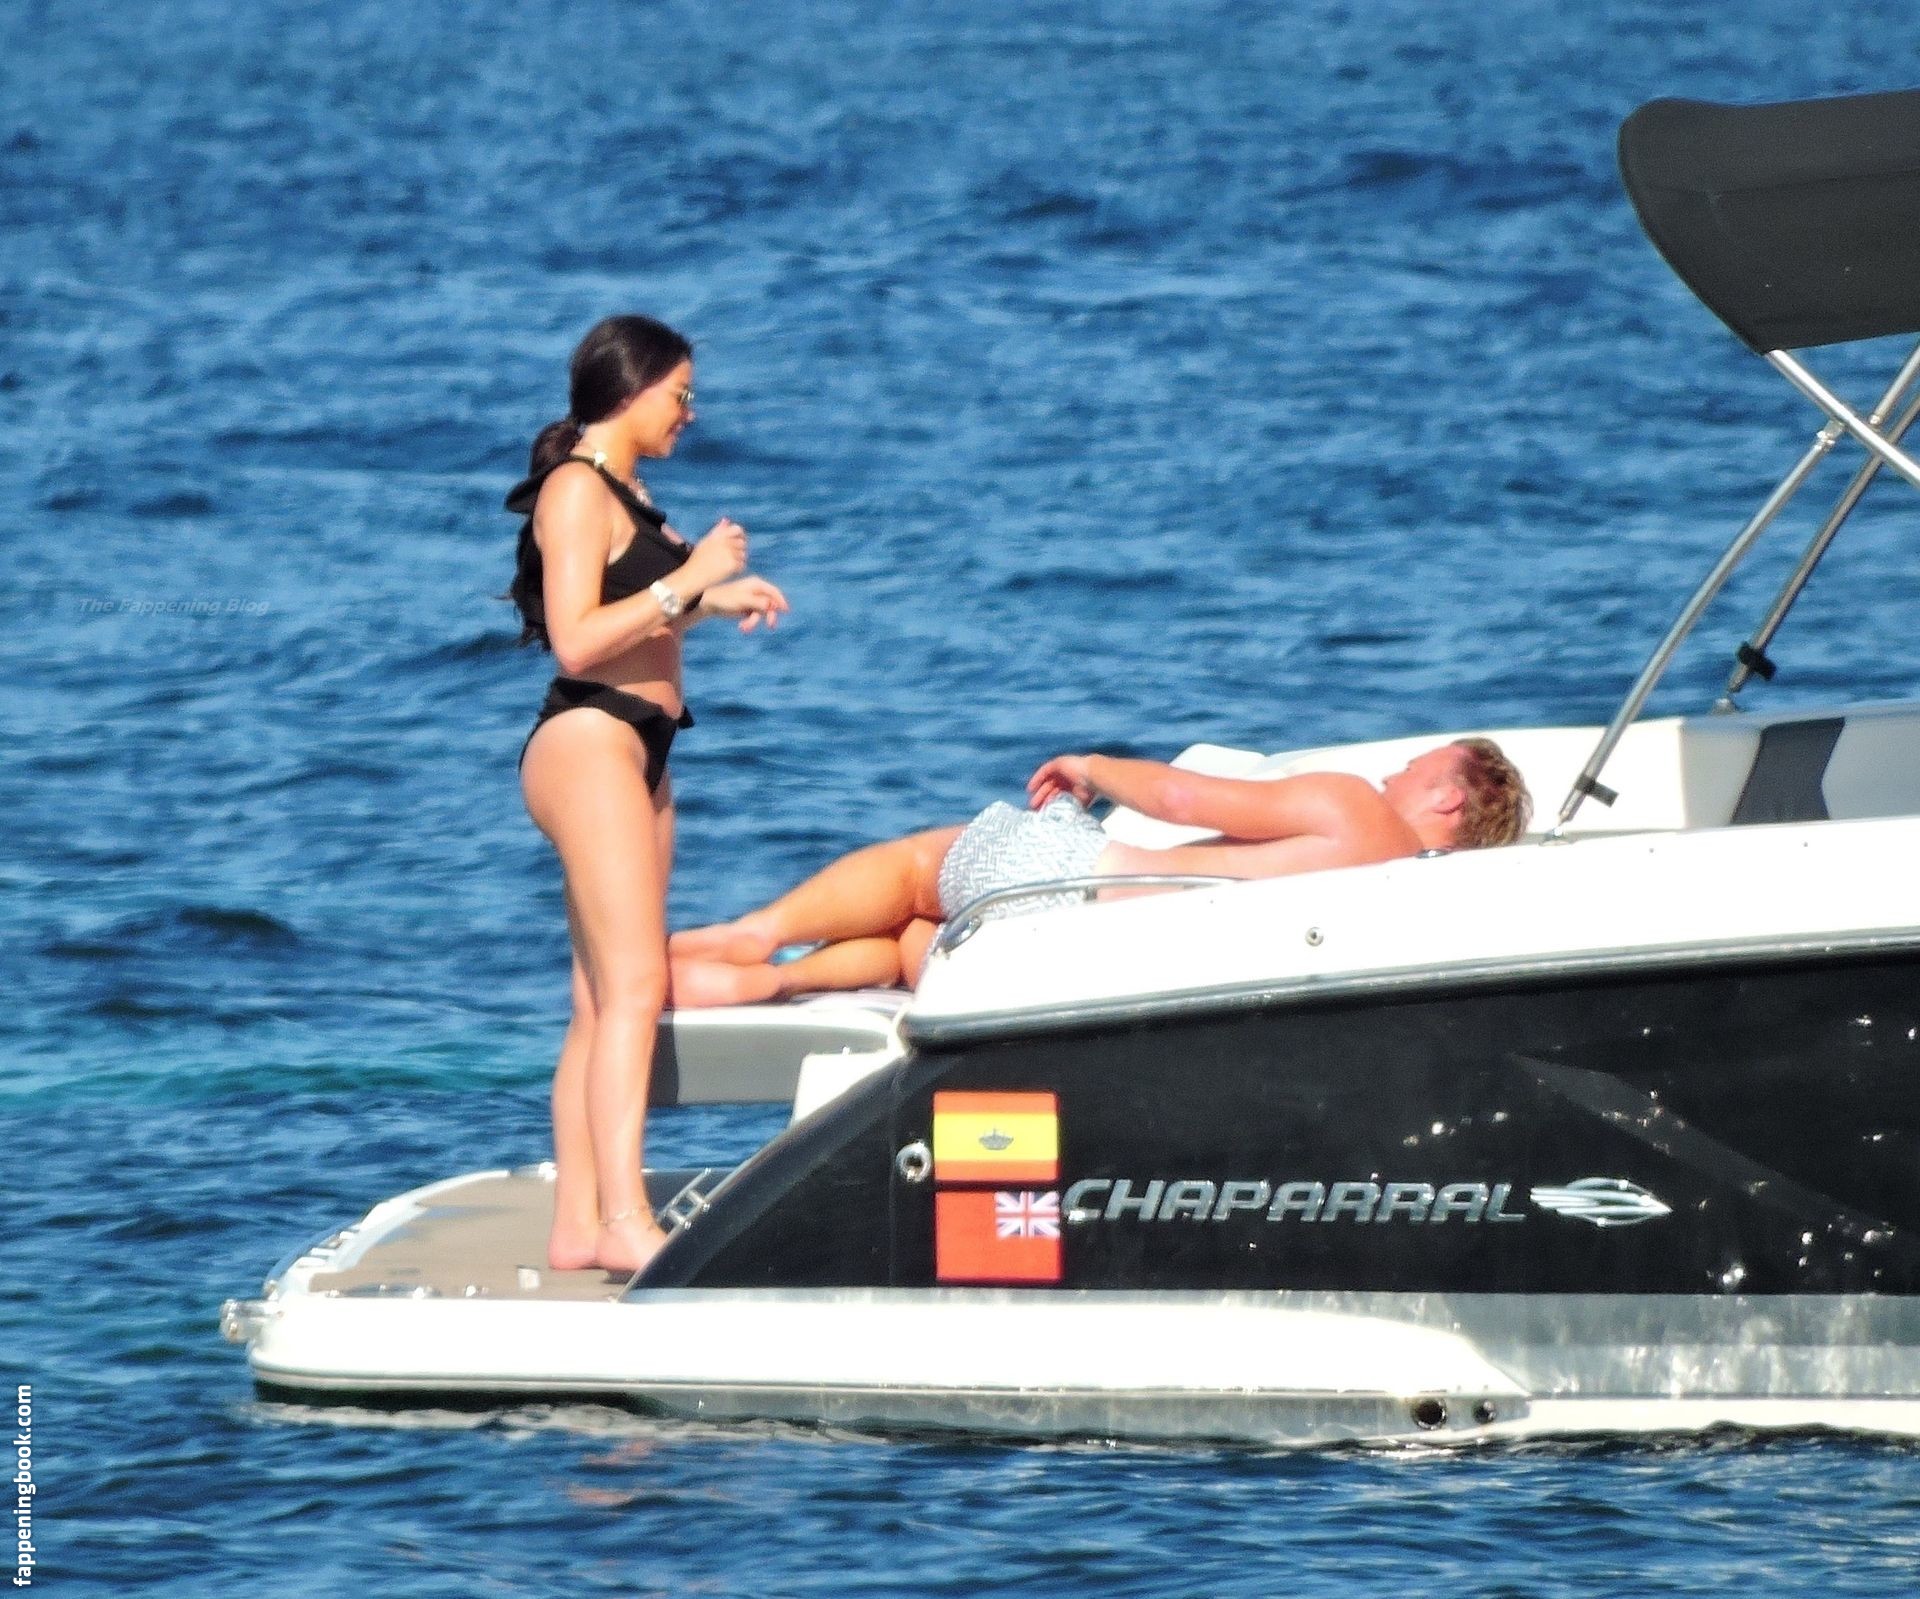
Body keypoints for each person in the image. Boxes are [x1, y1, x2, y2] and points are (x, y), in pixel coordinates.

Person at [510, 314, 788, 1273]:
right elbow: (577, 639)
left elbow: (641, 617)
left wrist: (713, 599)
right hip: (589, 737)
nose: (690, 412)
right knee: (635, 986)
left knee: (600, 1000)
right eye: (679, 394)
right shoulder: (574, 489)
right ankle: (628, 1217)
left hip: (643, 745)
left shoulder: (628, 492)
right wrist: (692, 579)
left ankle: (580, 1224)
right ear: (630, 391)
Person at [668, 738, 1530, 1006]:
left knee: (917, 867)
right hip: (1081, 963)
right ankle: (776, 983)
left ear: (1449, 798)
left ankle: (752, 935)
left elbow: (1185, 798)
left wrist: (1093, 766)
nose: (1396, 770)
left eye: (1418, 766)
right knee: (913, 940)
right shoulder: (1407, 897)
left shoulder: (1357, 809)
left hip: (1068, 876)